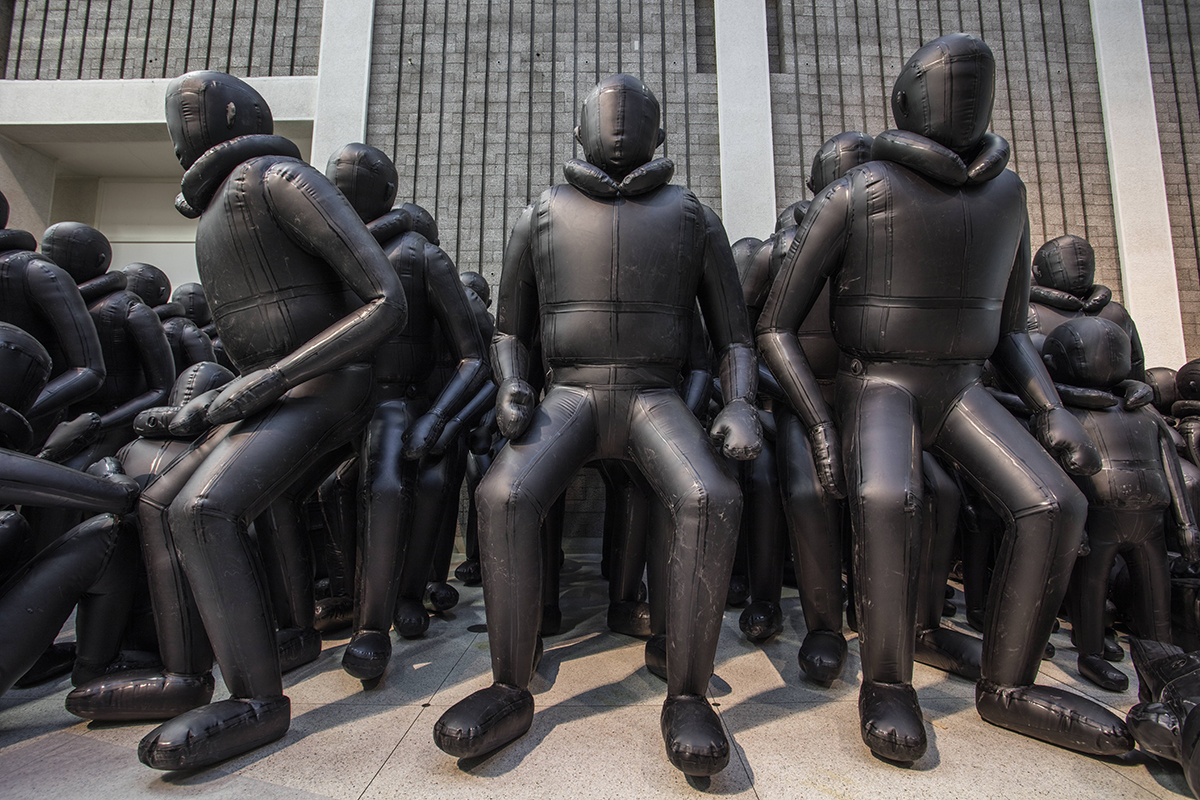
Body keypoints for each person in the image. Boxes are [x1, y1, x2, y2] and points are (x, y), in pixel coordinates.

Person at [756, 33, 1130, 761]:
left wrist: (1051, 411)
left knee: (1056, 503)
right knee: (889, 500)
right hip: (880, 380)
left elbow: (1011, 325)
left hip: (959, 383)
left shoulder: (1006, 196)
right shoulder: (861, 192)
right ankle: (887, 680)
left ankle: (1010, 682)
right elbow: (776, 326)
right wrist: (820, 425)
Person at [433, 74, 761, 777]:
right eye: (603, 115)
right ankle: (507, 684)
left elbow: (734, 335)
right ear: (576, 131)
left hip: (653, 395)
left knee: (713, 497)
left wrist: (739, 402)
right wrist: (516, 384)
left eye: (636, 115)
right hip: (570, 395)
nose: (618, 125)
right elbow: (508, 328)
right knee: (501, 496)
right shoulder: (541, 213)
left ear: (661, 133)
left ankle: (688, 690)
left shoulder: (692, 216)